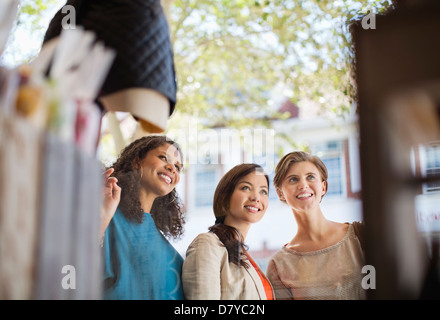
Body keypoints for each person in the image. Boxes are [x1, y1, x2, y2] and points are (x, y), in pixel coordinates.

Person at [266, 151, 366, 300]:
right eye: (293, 179)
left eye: (310, 177)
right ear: (280, 193)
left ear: (323, 187)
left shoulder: (360, 235)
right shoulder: (279, 266)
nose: (303, 185)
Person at [100, 134, 186, 300]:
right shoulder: (107, 218)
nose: (172, 168)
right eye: (163, 158)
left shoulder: (174, 257)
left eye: (178, 167)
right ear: (137, 161)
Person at [182, 163, 274, 300]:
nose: (256, 197)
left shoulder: (243, 254)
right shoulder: (208, 244)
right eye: (246, 188)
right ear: (225, 198)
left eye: (263, 191)